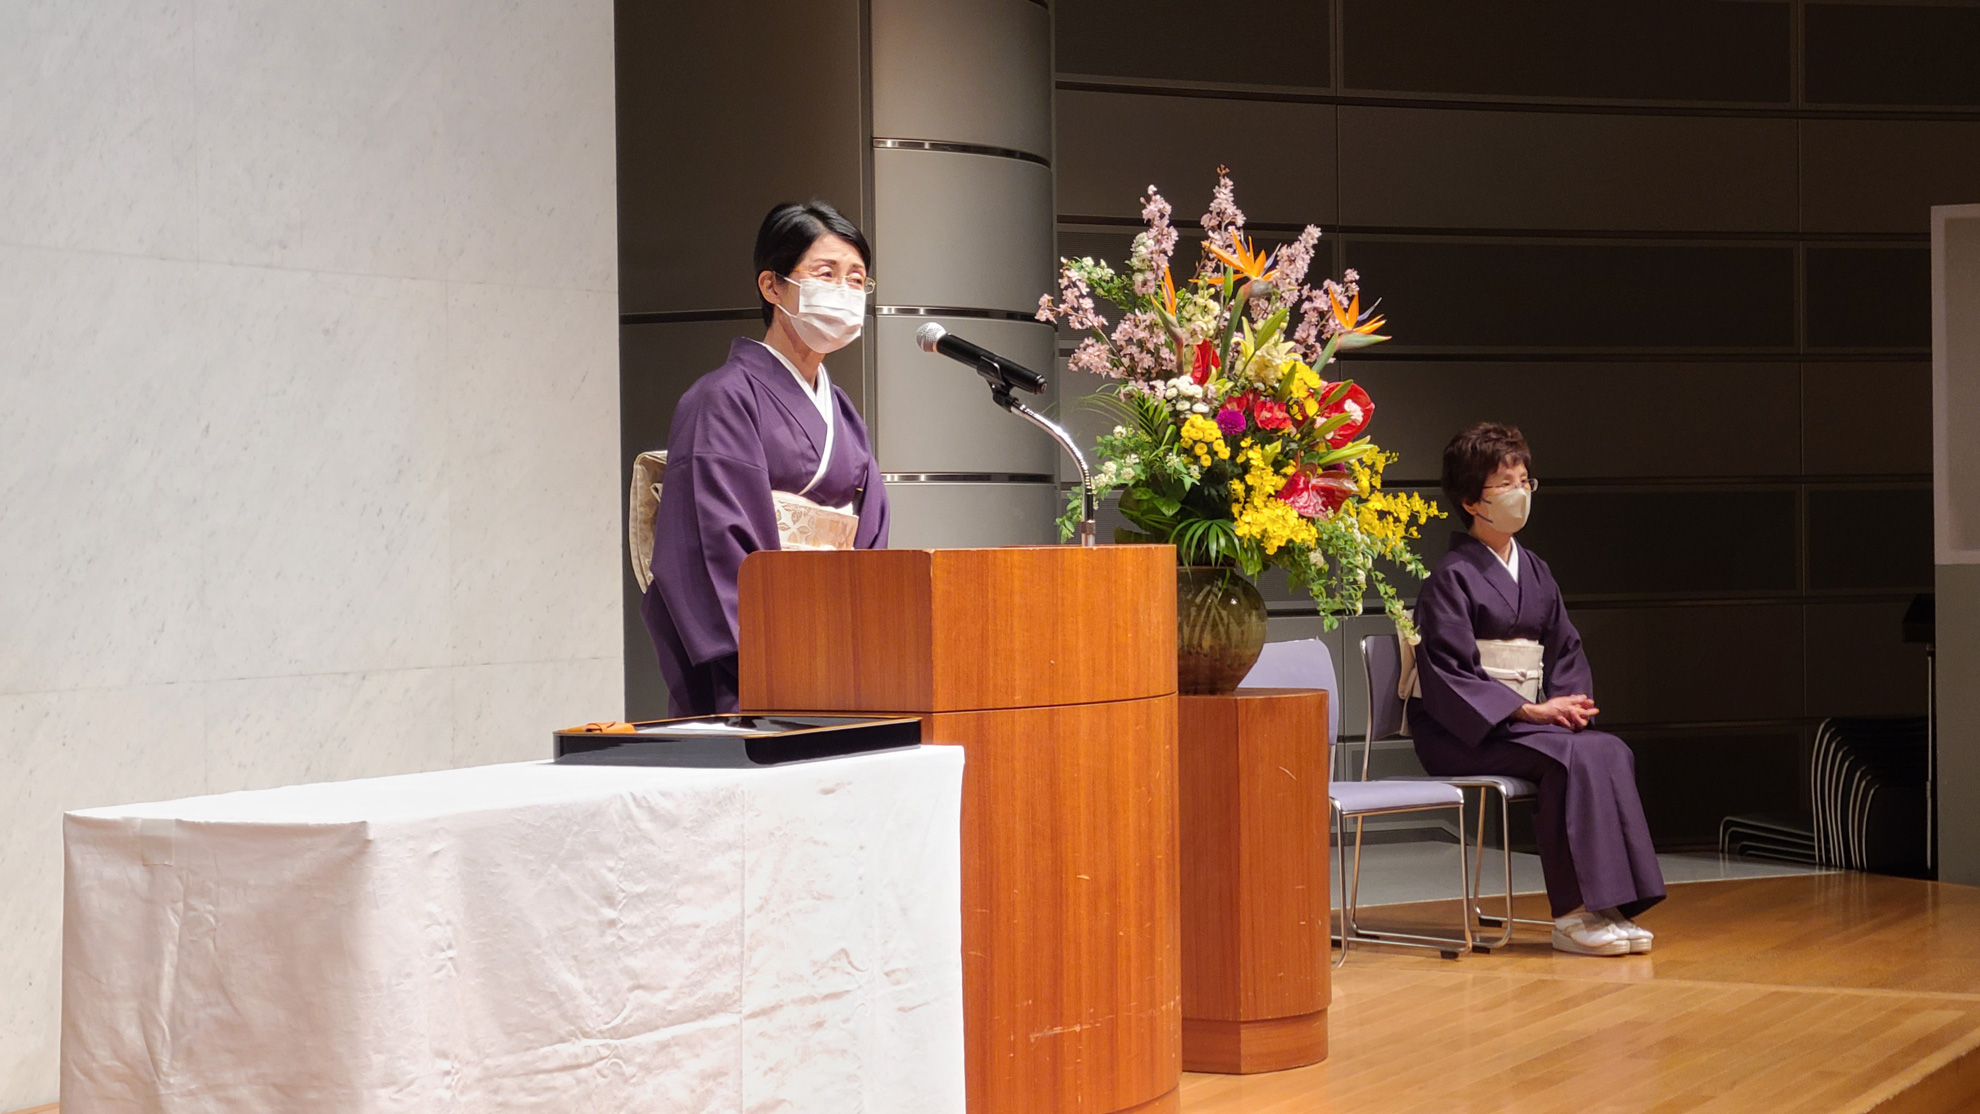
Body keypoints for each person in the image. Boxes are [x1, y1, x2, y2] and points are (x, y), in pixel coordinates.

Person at [1409, 423, 1665, 956]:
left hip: (1527, 719)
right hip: (1464, 729)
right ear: (1470, 500)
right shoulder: (1449, 578)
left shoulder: (1538, 572)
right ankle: (1572, 915)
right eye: (1505, 484)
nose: (1519, 493)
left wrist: (1567, 706)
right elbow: (1448, 671)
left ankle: (1610, 905)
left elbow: (1566, 648)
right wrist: (1529, 711)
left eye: (1525, 480)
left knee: (1606, 748)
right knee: (1566, 761)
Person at [641, 201, 890, 717]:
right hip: (756, 661)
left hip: (839, 655)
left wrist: (860, 636)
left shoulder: (841, 409)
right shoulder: (722, 397)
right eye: (826, 274)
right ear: (772, 286)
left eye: (856, 279)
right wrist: (773, 656)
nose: (843, 292)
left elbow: (871, 532)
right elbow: (715, 541)